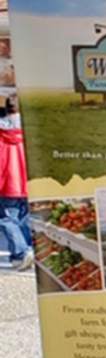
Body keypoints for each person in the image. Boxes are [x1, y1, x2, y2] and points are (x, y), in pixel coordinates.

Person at [0, 96, 31, 271]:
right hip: (27, 183)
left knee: (6, 220)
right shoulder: (30, 131)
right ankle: (22, 254)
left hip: (6, 184)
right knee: (22, 220)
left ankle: (21, 252)